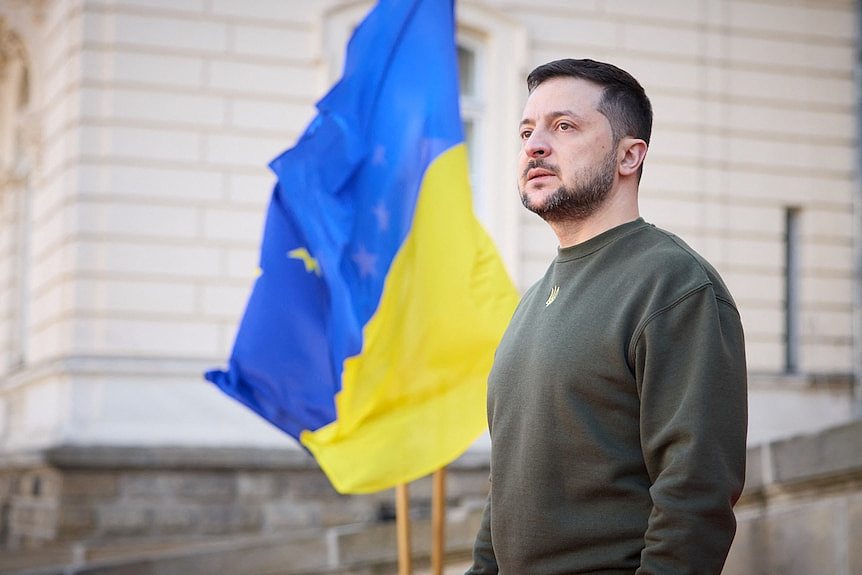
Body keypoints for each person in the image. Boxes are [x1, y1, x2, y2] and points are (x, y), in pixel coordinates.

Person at [466, 59, 748, 574]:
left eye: (564, 126)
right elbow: (507, 491)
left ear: (629, 156)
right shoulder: (531, 302)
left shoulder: (674, 285)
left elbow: (696, 491)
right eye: (527, 131)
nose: (534, 146)